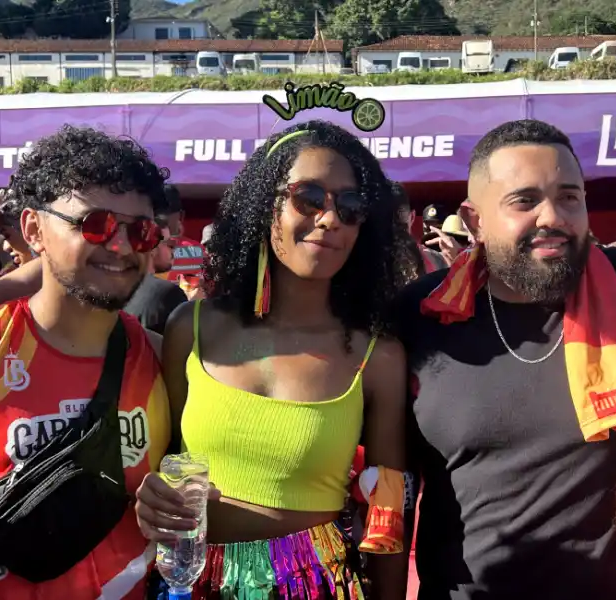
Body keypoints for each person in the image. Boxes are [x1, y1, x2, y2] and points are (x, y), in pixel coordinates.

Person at [395, 120, 616, 600]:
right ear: (475, 221)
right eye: (525, 201)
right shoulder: (421, 314)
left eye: (570, 197)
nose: (553, 216)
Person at [134, 121, 410, 600]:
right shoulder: (191, 327)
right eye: (309, 198)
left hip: (315, 584)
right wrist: (153, 496)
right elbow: (164, 462)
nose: (330, 219)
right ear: (266, 205)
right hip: (191, 582)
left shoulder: (376, 355)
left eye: (350, 206)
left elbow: (387, 506)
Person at [0, 125, 171, 599]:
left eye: (140, 231)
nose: (120, 247)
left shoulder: (164, 359)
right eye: (95, 224)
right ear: (35, 230)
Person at [124, 186, 189, 334]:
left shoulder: (118, 290)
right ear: (151, 246)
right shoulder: (166, 294)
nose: (174, 250)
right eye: (170, 244)